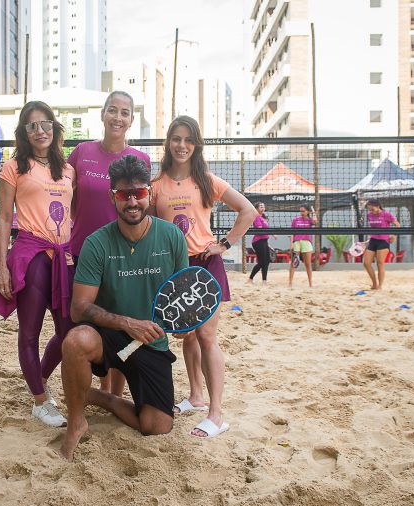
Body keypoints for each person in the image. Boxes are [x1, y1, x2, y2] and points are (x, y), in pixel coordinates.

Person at [60, 154, 188, 461]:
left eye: (139, 193)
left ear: (149, 193)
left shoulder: (171, 237)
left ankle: (95, 397)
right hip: (111, 336)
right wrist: (127, 323)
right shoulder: (97, 243)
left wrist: (187, 326)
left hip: (151, 340)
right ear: (112, 197)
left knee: (156, 426)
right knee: (75, 341)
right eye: (123, 194)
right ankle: (76, 422)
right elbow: (79, 309)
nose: (132, 202)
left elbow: (182, 300)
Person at [150, 115, 256, 439]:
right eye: (176, 139)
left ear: (196, 145)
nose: (182, 145)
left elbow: (248, 210)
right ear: (168, 142)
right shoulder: (156, 186)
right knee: (189, 337)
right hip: (175, 266)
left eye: (188, 139)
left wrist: (223, 244)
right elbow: (153, 231)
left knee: (207, 337)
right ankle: (196, 396)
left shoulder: (208, 181)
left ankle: (216, 413)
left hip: (206, 264)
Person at [0, 101, 76, 428]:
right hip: (31, 255)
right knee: (30, 332)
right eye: (32, 126)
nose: (40, 130)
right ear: (24, 133)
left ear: (54, 128)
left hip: (63, 257)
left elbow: (73, 215)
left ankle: (37, 379)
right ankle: (41, 401)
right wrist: (2, 266)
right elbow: (2, 217)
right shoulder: (14, 167)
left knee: (67, 332)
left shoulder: (67, 169)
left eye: (45, 124)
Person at [67, 90, 152, 397]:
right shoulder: (81, 152)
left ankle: (112, 394)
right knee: (83, 322)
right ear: (102, 114)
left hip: (122, 256)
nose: (118, 117)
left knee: (118, 325)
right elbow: (66, 197)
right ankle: (86, 389)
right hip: (82, 252)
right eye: (112, 110)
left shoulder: (141, 160)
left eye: (125, 112)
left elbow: (144, 207)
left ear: (131, 120)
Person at [363, 198, 401, 290]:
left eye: (372, 209)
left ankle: (380, 286)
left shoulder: (386, 214)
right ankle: (374, 284)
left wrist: (395, 236)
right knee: (366, 263)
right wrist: (368, 239)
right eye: (369, 209)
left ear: (378, 206)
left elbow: (398, 225)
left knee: (380, 263)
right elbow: (372, 229)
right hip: (373, 240)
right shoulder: (369, 215)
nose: (371, 211)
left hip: (383, 241)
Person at [288, 205, 318, 288]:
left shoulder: (310, 220)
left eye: (303, 211)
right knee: (294, 263)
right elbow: (291, 233)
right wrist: (291, 244)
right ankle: (290, 283)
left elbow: (315, 222)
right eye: (300, 211)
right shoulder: (295, 220)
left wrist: (313, 211)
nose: (302, 213)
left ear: (308, 212)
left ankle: (310, 283)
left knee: (308, 264)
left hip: (306, 242)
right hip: (297, 242)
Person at [248, 202, 271, 284]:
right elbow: (260, 230)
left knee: (267, 261)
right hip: (258, 241)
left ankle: (264, 281)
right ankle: (250, 279)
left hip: (264, 241)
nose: (263, 207)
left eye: (263, 206)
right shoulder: (256, 216)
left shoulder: (263, 218)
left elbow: (265, 231)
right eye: (261, 206)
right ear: (256, 208)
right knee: (262, 262)